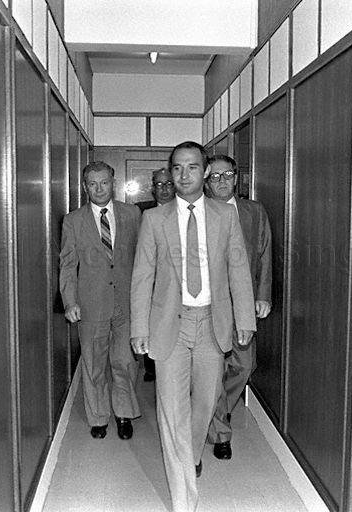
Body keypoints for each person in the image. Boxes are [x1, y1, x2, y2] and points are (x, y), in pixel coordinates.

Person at [130, 141, 256, 512]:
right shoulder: (154, 219)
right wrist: (139, 327)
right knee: (171, 412)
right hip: (169, 323)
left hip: (211, 324)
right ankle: (184, 499)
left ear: (205, 172)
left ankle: (191, 454)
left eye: (192, 167)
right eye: (177, 168)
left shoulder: (225, 216)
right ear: (171, 174)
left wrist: (244, 318)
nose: (184, 175)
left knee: (205, 402)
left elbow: (238, 269)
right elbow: (142, 276)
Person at [60, 161, 142, 440]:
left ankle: (124, 414)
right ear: (85, 187)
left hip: (126, 302)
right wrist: (70, 301)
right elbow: (68, 265)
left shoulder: (132, 214)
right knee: (93, 363)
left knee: (125, 361)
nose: (99, 189)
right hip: (91, 303)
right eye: (93, 184)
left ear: (113, 183)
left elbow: (144, 259)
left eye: (104, 182)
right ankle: (98, 416)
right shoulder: (73, 221)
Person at [204, 155, 272, 460]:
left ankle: (219, 409)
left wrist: (263, 294)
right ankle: (220, 432)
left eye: (227, 175)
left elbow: (264, 254)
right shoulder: (198, 212)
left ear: (237, 177)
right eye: (215, 176)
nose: (222, 181)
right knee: (213, 370)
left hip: (243, 305)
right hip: (209, 305)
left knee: (244, 366)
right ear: (206, 182)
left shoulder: (254, 211)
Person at [134, 167, 176, 382]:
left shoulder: (186, 211)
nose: (164, 189)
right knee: (152, 326)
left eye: (168, 184)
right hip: (149, 282)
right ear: (152, 188)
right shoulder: (140, 212)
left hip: (176, 285)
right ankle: (152, 367)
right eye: (159, 184)